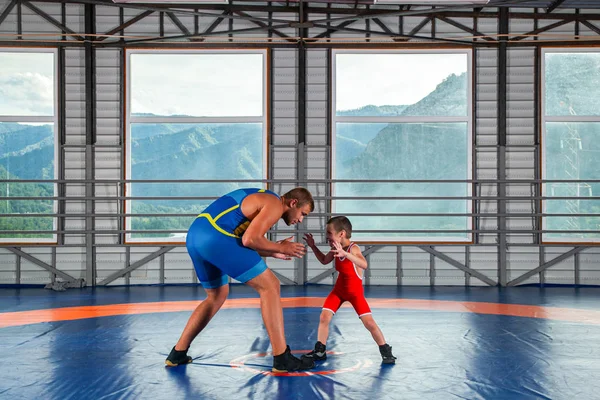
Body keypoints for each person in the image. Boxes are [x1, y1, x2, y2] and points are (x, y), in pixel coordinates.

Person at [165, 187, 315, 372]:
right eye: (303, 214)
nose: (300, 220)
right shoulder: (275, 204)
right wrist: (282, 248)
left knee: (216, 295)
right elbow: (249, 240)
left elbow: (241, 240)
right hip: (216, 237)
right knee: (270, 286)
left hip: (196, 236)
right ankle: (282, 358)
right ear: (293, 203)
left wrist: (274, 249)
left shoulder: (263, 197)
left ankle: (178, 353)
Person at [302, 216, 397, 364]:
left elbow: (364, 264)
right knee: (324, 317)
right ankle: (320, 351)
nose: (327, 237)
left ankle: (386, 351)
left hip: (355, 294)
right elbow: (324, 261)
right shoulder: (335, 248)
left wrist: (346, 254)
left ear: (342, 234)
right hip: (338, 291)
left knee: (369, 323)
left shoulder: (354, 248)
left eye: (329, 233)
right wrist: (313, 246)